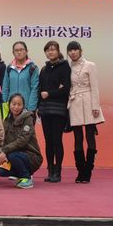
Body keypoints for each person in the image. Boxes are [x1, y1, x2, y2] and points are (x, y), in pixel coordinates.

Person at [67, 41, 105, 183]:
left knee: (90, 135)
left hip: (89, 102)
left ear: (80, 50)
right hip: (75, 102)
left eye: (75, 49)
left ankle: (88, 170)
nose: (73, 52)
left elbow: (95, 87)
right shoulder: (68, 67)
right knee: (77, 137)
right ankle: (80, 170)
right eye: (70, 50)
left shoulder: (90, 65)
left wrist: (95, 106)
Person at [37, 40, 72, 183]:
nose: (50, 52)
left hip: (58, 109)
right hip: (45, 109)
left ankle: (58, 171)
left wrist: (50, 93)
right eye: (48, 50)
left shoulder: (65, 67)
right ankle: (50, 170)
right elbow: (40, 89)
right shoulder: (44, 69)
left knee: (57, 140)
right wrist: (38, 106)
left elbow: (66, 89)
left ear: (58, 51)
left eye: (53, 49)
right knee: (48, 141)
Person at [0, 94, 43, 189]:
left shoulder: (28, 118)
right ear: (9, 105)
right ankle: (21, 175)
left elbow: (22, 140)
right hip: (14, 154)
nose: (16, 107)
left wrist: (5, 151)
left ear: (23, 106)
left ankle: (27, 178)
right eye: (13, 104)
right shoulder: (7, 120)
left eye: (19, 104)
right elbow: (4, 140)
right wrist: (2, 153)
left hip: (31, 157)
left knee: (13, 156)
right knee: (1, 170)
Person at [1, 41, 39, 119]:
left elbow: (35, 89)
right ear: (13, 53)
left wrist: (31, 108)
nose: (19, 52)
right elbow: (5, 88)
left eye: (21, 50)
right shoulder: (9, 68)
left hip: (26, 108)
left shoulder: (33, 68)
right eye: (16, 50)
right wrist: (5, 104)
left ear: (26, 51)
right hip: (11, 108)